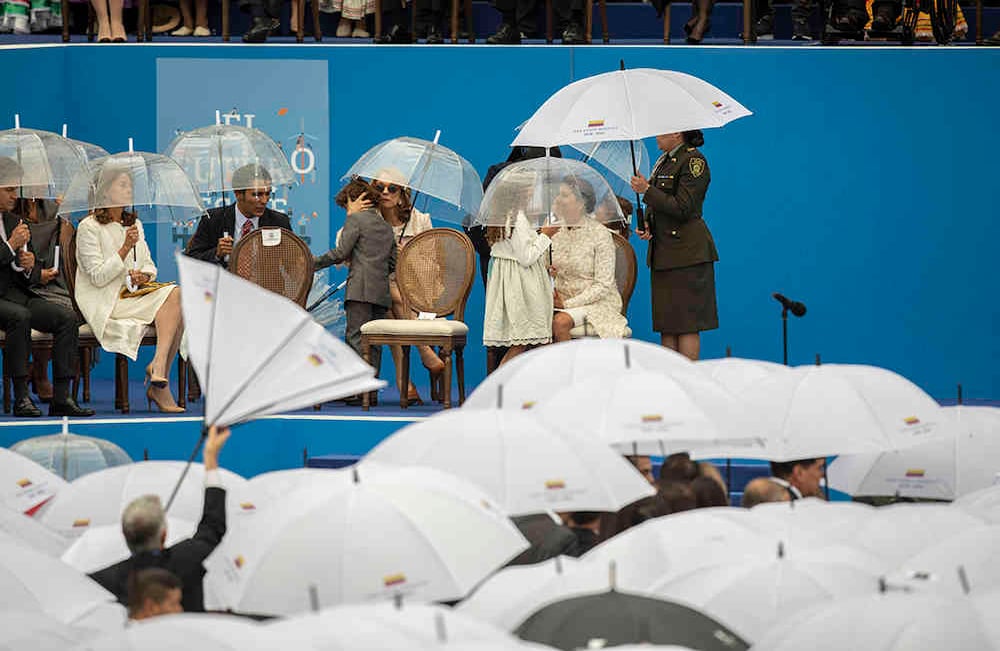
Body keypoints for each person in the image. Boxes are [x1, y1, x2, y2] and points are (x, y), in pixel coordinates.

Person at [74, 164, 185, 413]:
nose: (129, 190)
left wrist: (143, 276)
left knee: (178, 295)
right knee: (177, 302)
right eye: (123, 185)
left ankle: (158, 369)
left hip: (133, 294)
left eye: (130, 186)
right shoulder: (89, 227)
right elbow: (98, 277)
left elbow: (149, 265)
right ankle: (159, 380)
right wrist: (125, 248)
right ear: (105, 191)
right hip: (105, 300)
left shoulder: (134, 224)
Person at [90, 425, 230, 612]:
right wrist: (210, 459)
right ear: (163, 535)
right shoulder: (187, 559)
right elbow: (212, 525)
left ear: (125, 534)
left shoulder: (101, 582)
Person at [0, 159, 91, 418]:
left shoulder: (13, 221)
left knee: (66, 318)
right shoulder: (14, 229)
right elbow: (7, 252)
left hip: (18, 295)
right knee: (20, 317)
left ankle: (62, 397)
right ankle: (21, 397)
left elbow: (26, 270)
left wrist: (28, 266)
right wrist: (10, 246)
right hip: (5, 302)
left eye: (16, 190)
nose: (15, 196)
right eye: (9, 190)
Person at [631, 130, 718, 362]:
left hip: (687, 254)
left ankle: (688, 377)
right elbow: (660, 204)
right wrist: (647, 223)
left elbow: (684, 207)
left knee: (687, 324)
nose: (657, 135)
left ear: (677, 133)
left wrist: (647, 190)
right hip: (663, 252)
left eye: (662, 131)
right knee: (667, 325)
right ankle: (670, 378)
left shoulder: (694, 161)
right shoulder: (664, 160)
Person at [313, 178, 396, 401]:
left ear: (354, 200)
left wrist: (313, 263)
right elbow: (392, 264)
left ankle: (353, 391)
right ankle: (370, 392)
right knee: (374, 343)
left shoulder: (355, 220)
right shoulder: (387, 227)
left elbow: (340, 253)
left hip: (359, 289)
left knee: (355, 338)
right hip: (381, 292)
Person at [371, 169, 444, 405]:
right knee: (385, 296)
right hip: (384, 291)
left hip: (418, 288)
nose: (385, 192)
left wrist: (409, 257)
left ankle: (405, 382)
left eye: (392, 188)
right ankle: (424, 352)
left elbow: (433, 264)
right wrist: (353, 214)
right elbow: (345, 247)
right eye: (379, 187)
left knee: (389, 300)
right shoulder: (370, 219)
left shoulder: (420, 220)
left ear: (402, 193)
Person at [549, 176, 628, 343]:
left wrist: (567, 304)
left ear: (581, 203)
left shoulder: (599, 234)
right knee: (533, 320)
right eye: (558, 194)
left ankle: (568, 362)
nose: (558, 199)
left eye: (564, 195)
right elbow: (543, 268)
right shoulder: (554, 231)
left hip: (596, 303)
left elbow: (603, 285)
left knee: (560, 322)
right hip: (558, 301)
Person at [483, 205, 557, 366]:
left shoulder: (503, 215)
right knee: (522, 343)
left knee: (527, 343)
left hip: (511, 282)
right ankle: (500, 381)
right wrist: (546, 235)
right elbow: (526, 257)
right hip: (521, 286)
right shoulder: (518, 218)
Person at [185, 164, 292, 269]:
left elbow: (293, 262)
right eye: (257, 194)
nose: (264, 201)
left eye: (267, 194)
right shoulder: (213, 219)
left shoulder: (279, 222)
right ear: (238, 194)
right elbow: (191, 259)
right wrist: (217, 253)